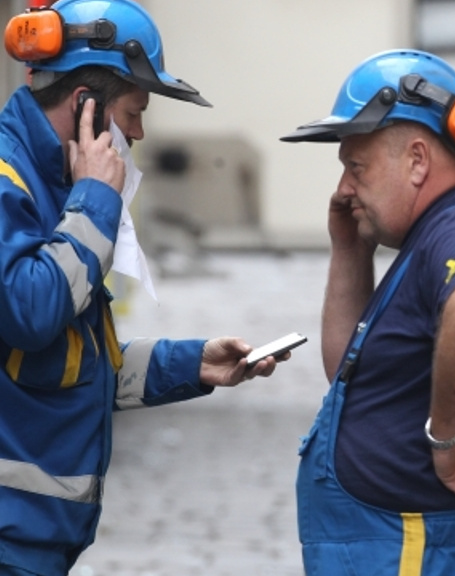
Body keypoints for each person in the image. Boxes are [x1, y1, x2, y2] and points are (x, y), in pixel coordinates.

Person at [0, 1, 286, 574]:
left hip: (33, 537)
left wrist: (195, 364)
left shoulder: (55, 185)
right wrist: (96, 201)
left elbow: (70, 361)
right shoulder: (15, 182)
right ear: (86, 105)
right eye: (133, 111)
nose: (138, 131)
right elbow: (28, 312)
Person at [280, 48, 455, 576]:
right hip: (415, 547)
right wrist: (350, 252)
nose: (344, 188)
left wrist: (447, 434)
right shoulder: (438, 231)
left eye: (356, 167)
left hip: (430, 552)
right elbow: (350, 377)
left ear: (417, 160)